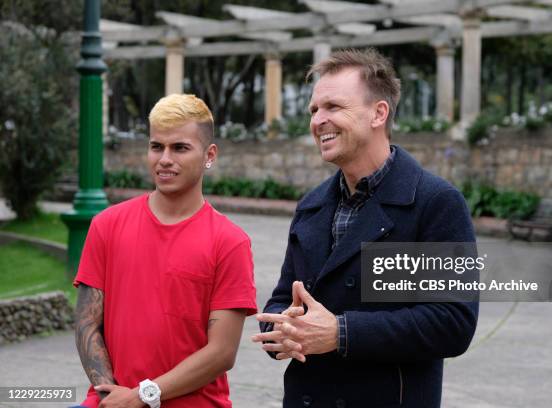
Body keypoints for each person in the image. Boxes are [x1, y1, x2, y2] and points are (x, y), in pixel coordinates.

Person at [252, 49, 478, 408]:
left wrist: (341, 333)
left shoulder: (434, 202)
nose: (318, 120)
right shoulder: (311, 205)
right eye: (314, 110)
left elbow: (451, 322)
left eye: (333, 107)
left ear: (379, 113)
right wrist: (283, 327)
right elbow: (283, 297)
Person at [73, 94, 257, 408]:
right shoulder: (106, 224)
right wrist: (112, 396)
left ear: (209, 155)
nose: (164, 159)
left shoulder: (230, 242)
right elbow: (87, 322)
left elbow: (221, 353)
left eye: (180, 148)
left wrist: (142, 396)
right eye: (156, 146)